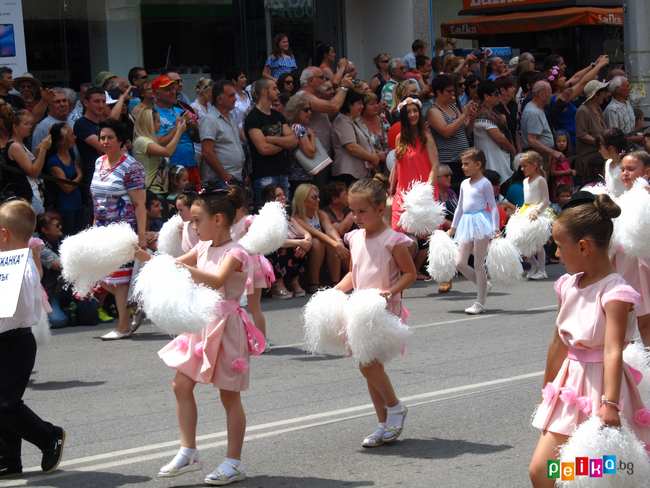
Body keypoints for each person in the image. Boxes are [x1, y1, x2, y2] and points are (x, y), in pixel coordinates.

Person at [529, 192, 650, 488]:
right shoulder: (567, 285)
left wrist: (610, 403)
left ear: (583, 247)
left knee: (597, 471)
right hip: (569, 385)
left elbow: (612, 350)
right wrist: (548, 387)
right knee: (543, 472)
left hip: (604, 388)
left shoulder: (615, 292)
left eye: (559, 247)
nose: (556, 255)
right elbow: (558, 341)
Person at [144, 182, 255, 486]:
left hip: (227, 327)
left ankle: (234, 461)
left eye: (196, 220)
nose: (192, 227)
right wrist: (143, 257)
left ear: (217, 220)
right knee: (181, 385)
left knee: (229, 396)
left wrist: (179, 269)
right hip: (200, 324)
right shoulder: (203, 246)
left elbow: (216, 279)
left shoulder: (237, 252)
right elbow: (171, 266)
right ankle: (188, 450)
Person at [327, 177, 416, 451]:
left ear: (380, 209)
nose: (356, 217)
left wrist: (388, 293)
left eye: (362, 211)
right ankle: (383, 422)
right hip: (360, 309)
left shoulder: (393, 240)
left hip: (383, 309)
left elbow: (410, 274)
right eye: (352, 211)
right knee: (369, 367)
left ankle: (395, 408)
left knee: (368, 365)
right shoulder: (353, 238)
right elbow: (354, 275)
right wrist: (334, 292)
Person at [0, 199, 66, 479]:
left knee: (6, 403)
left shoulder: (20, 268)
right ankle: (8, 458)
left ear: (4, 234)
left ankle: (49, 436)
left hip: (15, 342)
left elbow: (12, 310)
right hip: (5, 339)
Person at [91, 118, 146, 341]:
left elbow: (140, 204)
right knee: (100, 274)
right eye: (102, 137)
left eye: (109, 137)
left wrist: (141, 237)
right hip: (101, 228)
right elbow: (95, 198)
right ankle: (138, 304)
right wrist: (94, 225)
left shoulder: (131, 166)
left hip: (124, 229)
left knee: (121, 278)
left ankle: (124, 325)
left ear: (121, 141)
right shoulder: (98, 162)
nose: (104, 141)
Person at [447, 147, 500, 315]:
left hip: (480, 222)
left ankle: (479, 302)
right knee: (460, 262)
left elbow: (493, 206)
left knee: (478, 263)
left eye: (466, 164)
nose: (463, 167)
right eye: (462, 164)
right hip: (466, 221)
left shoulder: (485, 183)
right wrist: (453, 228)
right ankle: (482, 284)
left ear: (478, 165)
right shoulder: (464, 183)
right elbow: (460, 207)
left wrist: (496, 228)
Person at [612, 151, 650, 347]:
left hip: (643, 263)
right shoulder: (622, 200)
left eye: (631, 169)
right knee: (625, 317)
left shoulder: (645, 199)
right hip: (624, 264)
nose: (625, 173)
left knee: (645, 320)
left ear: (647, 172)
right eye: (623, 169)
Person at [230, 187, 273, 351]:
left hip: (251, 265)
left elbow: (261, 240)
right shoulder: (230, 223)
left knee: (254, 307)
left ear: (239, 206)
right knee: (235, 306)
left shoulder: (249, 221)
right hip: (236, 266)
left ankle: (262, 340)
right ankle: (243, 338)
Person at [244, 79, 297, 202]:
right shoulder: (252, 118)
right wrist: (284, 144)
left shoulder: (278, 116)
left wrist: (272, 139)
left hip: (282, 173)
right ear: (264, 92)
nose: (278, 91)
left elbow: (294, 141)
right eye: (274, 88)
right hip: (264, 175)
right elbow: (263, 149)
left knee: (285, 212)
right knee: (268, 213)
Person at [292, 184, 350, 291]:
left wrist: (339, 242)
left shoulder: (321, 214)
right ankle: (314, 283)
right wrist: (336, 244)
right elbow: (316, 233)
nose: (318, 200)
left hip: (321, 254)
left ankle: (335, 283)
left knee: (332, 242)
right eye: (314, 197)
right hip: (304, 253)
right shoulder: (296, 218)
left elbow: (330, 229)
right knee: (318, 242)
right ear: (303, 200)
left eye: (318, 196)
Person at [261, 184, 311, 299]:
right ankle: (277, 284)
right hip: (272, 251)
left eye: (284, 195)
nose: (283, 197)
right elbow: (275, 242)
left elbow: (307, 234)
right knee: (286, 247)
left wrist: (305, 243)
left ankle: (294, 282)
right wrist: (299, 243)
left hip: (291, 248)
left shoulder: (288, 218)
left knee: (300, 244)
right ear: (270, 200)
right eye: (279, 195)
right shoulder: (267, 218)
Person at [429, 74, 475, 191]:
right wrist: (463, 115)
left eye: (453, 90)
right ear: (439, 92)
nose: (452, 94)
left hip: (462, 160)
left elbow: (465, 133)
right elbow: (446, 132)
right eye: (449, 91)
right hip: (448, 162)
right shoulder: (433, 111)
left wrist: (472, 118)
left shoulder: (453, 107)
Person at [153, 75, 200, 186]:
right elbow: (159, 143)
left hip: (190, 164)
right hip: (171, 169)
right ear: (158, 94)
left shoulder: (181, 110)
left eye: (173, 88)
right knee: (176, 202)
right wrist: (177, 128)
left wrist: (195, 128)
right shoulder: (153, 113)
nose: (173, 92)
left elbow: (197, 139)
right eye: (167, 89)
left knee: (194, 201)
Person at [200, 80, 246, 190]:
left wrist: (243, 171)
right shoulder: (209, 119)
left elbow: (235, 146)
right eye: (231, 95)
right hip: (220, 181)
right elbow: (207, 152)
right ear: (219, 99)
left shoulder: (231, 118)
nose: (235, 98)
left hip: (236, 178)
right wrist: (225, 176)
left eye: (235, 95)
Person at [3, 110, 52, 215]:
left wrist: (37, 153)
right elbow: (33, 172)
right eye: (26, 124)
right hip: (29, 195)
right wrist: (43, 149)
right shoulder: (15, 146)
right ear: (15, 127)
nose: (30, 126)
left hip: (33, 194)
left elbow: (29, 166)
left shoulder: (20, 144)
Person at [133, 106, 184, 202]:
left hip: (160, 192)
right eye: (158, 121)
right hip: (151, 192)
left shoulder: (151, 141)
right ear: (149, 123)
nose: (160, 124)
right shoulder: (142, 141)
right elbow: (167, 152)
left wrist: (176, 127)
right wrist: (179, 132)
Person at [473, 80, 516, 193]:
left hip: (498, 160)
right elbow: (500, 139)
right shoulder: (483, 114)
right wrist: (513, 150)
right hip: (492, 164)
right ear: (486, 96)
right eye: (496, 93)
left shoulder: (493, 112)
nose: (499, 96)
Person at [515, 151, 552, 280]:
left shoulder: (540, 180)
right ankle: (534, 264)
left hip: (537, 211)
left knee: (538, 244)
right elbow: (526, 200)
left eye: (525, 166)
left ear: (534, 165)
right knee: (521, 240)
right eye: (521, 166)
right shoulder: (525, 181)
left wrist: (536, 211)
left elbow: (546, 200)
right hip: (527, 211)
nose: (522, 169)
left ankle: (542, 270)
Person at [331, 90, 378, 186]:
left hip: (360, 173)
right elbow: (352, 147)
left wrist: (373, 157)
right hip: (347, 174)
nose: (362, 107)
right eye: (359, 104)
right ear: (349, 105)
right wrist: (373, 158)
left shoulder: (356, 121)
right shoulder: (342, 120)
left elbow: (368, 141)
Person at [44, 123, 84, 236]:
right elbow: (67, 188)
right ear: (62, 141)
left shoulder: (70, 153)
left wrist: (76, 178)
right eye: (71, 135)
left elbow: (78, 170)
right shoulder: (53, 161)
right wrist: (79, 177)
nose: (75, 137)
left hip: (78, 203)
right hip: (65, 208)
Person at [521, 81, 564, 179]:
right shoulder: (534, 113)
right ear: (542, 94)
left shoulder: (535, 108)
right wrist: (553, 152)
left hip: (541, 156)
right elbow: (531, 140)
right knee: (539, 185)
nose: (552, 95)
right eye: (550, 92)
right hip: (538, 157)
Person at [36, 211, 72, 329]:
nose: (60, 227)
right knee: (57, 321)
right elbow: (58, 265)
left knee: (89, 313)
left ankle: (71, 310)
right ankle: (67, 314)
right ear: (45, 230)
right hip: (53, 291)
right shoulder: (41, 247)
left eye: (60, 224)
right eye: (57, 225)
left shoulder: (65, 240)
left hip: (70, 287)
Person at [73, 87, 106, 189]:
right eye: (97, 101)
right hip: (94, 179)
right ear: (86, 103)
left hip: (109, 176)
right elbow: (104, 147)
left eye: (103, 101)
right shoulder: (81, 124)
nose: (101, 105)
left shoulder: (103, 124)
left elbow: (118, 149)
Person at [575, 80, 609, 178]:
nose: (605, 95)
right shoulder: (583, 110)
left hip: (599, 158)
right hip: (588, 160)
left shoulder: (599, 109)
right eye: (604, 92)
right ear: (596, 95)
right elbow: (582, 134)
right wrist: (600, 142)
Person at [284, 93, 316, 193]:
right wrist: (312, 136)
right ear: (296, 111)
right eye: (306, 110)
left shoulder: (289, 128)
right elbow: (311, 153)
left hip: (291, 176)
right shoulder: (300, 128)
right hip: (302, 177)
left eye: (310, 109)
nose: (309, 112)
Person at [604, 76, 646, 148]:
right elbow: (614, 137)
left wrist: (639, 138)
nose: (630, 88)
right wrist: (634, 139)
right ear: (618, 89)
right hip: (620, 150)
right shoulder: (612, 110)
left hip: (631, 147)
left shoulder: (628, 104)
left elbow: (630, 129)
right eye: (627, 86)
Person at [357, 93, 390, 172]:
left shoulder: (382, 120)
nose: (376, 106)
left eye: (376, 103)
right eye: (371, 104)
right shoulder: (358, 124)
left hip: (387, 167)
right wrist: (377, 156)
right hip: (369, 168)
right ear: (363, 108)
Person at [596, 127, 632, 198]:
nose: (599, 151)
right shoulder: (608, 163)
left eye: (600, 148)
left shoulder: (625, 168)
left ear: (611, 148)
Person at [549, 131, 575, 203]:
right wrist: (565, 172)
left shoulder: (566, 156)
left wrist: (572, 172)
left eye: (564, 141)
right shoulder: (555, 157)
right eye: (559, 141)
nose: (561, 143)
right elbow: (552, 172)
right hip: (559, 185)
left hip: (566, 184)